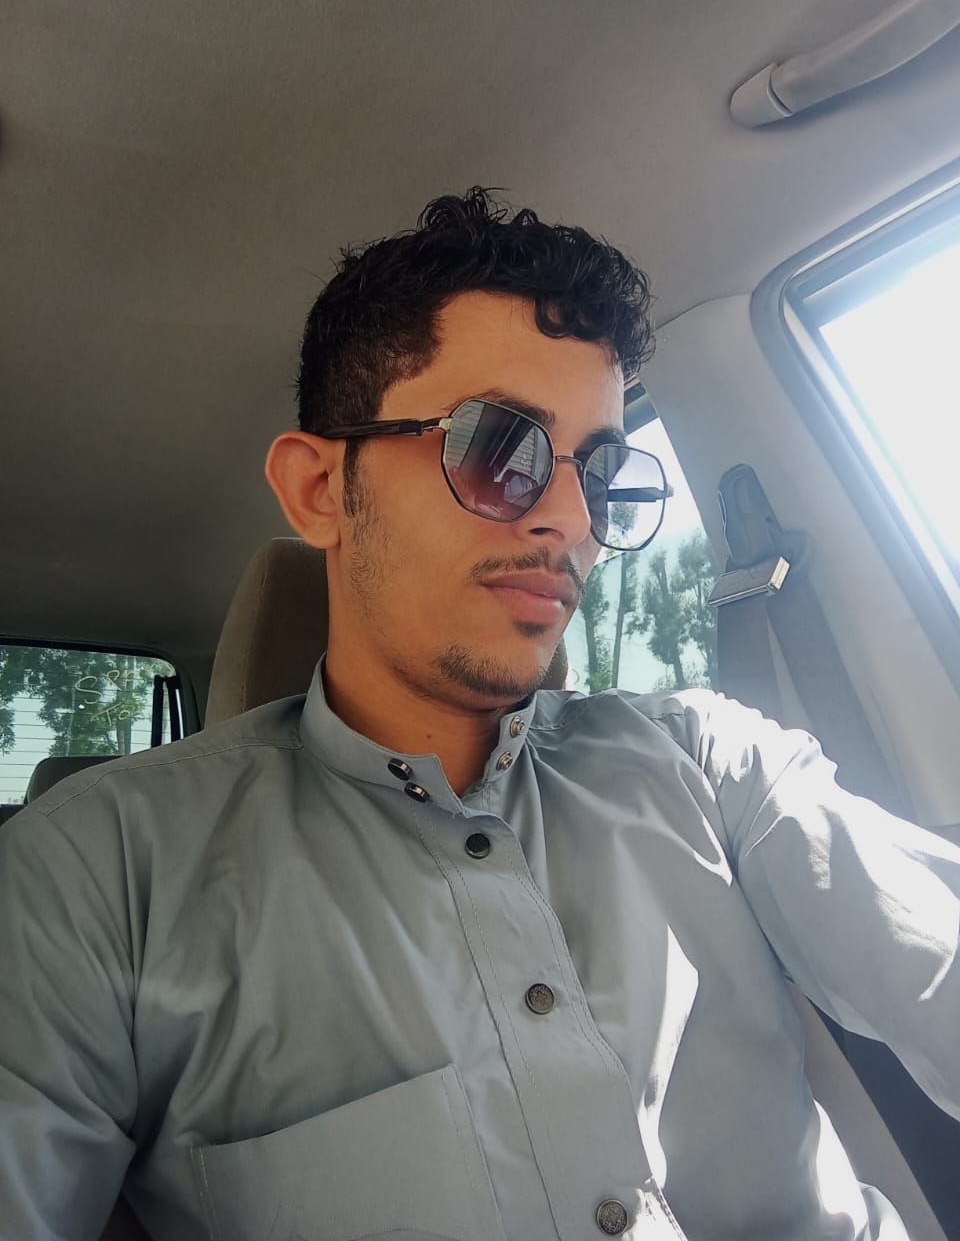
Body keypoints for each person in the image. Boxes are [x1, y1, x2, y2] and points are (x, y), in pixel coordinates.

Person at [1, 188, 958, 1241]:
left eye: (603, 472)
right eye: (500, 448)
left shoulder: (711, 765)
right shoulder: (94, 877)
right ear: (320, 489)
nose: (572, 520)